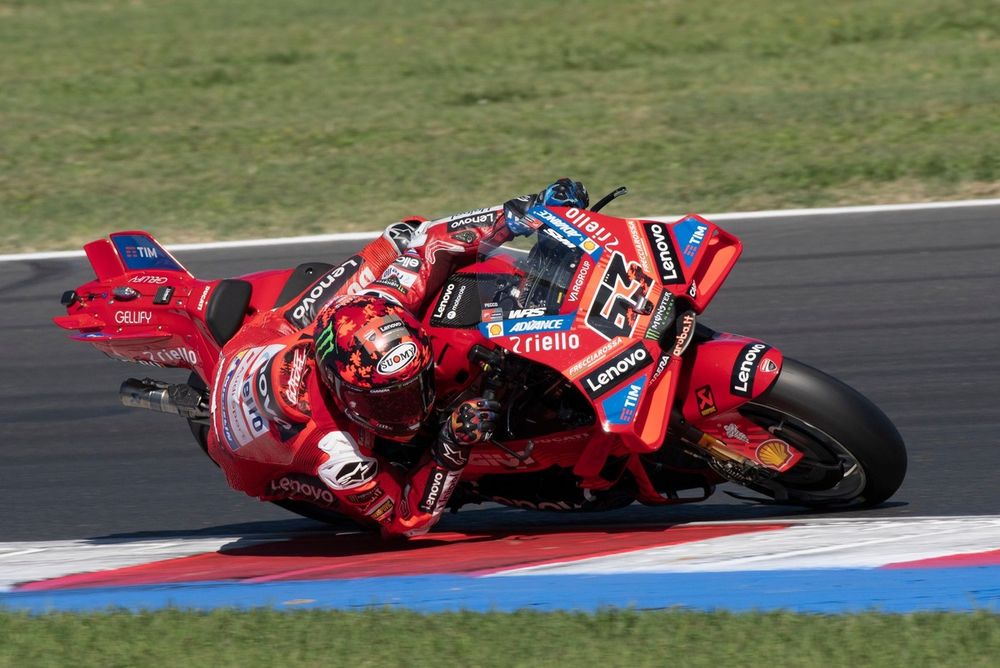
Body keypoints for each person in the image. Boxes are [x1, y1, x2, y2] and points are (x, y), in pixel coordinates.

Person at [206, 179, 590, 537]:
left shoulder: (381, 301)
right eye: (388, 401)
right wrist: (450, 442)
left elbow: (432, 242)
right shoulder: (336, 453)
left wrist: (520, 213)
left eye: (414, 387)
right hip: (248, 447)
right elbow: (406, 520)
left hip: (276, 337)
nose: (411, 409)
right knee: (359, 501)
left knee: (405, 234)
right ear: (343, 393)